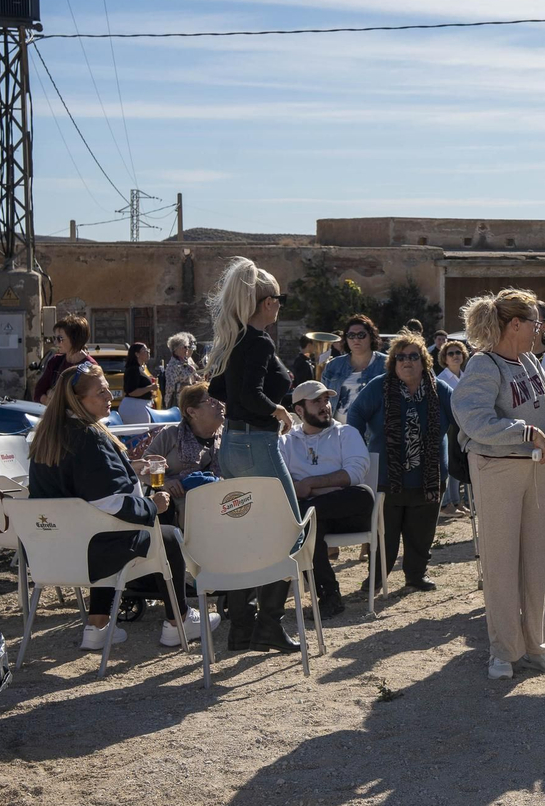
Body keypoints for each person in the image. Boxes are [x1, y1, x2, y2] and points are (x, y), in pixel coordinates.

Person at [28, 361, 214, 650]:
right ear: (77, 401)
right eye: (101, 393)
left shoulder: (48, 437)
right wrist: (152, 505)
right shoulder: (89, 437)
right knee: (168, 536)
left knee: (105, 529)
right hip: (93, 553)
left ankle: (97, 626)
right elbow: (108, 502)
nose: (109, 397)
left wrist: (129, 466)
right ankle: (179, 622)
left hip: (53, 551)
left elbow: (83, 481)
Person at [452, 288, 545, 680]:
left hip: (537, 469)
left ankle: (538, 646)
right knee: (501, 561)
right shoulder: (484, 365)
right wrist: (523, 431)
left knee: (536, 560)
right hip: (497, 470)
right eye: (536, 323)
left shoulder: (529, 361)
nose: (541, 330)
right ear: (515, 324)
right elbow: (472, 418)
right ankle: (504, 650)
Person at [206, 257, 301, 653]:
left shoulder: (236, 337)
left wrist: (255, 409)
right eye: (279, 298)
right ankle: (267, 626)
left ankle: (243, 626)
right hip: (256, 443)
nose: (281, 304)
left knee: (246, 534)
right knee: (289, 531)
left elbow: (217, 389)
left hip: (234, 444)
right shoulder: (258, 341)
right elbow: (246, 394)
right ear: (266, 303)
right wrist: (276, 409)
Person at [347, 332, 448, 594]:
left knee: (421, 532)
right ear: (393, 362)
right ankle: (377, 579)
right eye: (400, 357)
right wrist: (358, 446)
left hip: (429, 475)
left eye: (413, 356)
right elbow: (355, 413)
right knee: (385, 533)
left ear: (424, 361)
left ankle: (416, 576)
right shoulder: (380, 386)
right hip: (386, 476)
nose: (407, 362)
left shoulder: (440, 389)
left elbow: (460, 414)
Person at [281, 381, 375, 619]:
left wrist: (310, 485)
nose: (325, 406)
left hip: (346, 512)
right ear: (299, 410)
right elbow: (281, 482)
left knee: (362, 494)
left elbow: (355, 473)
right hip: (314, 519)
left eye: (326, 400)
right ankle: (330, 596)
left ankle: (327, 595)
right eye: (317, 402)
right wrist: (313, 488)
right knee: (311, 524)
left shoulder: (346, 433)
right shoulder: (286, 441)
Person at [131, 381, 224, 500]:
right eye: (212, 401)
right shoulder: (171, 434)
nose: (221, 405)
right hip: (178, 502)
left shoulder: (227, 437)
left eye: (220, 400)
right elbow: (142, 470)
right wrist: (165, 482)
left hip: (219, 500)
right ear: (192, 412)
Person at [321, 314, 386, 424]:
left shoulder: (387, 364)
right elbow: (322, 400)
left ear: (371, 336)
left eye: (361, 335)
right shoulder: (333, 366)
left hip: (372, 433)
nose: (356, 339)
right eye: (351, 335)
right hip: (337, 432)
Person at [435, 339, 472, 514]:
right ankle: (446, 504)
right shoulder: (441, 379)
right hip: (449, 426)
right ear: (445, 358)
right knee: (449, 464)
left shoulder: (466, 377)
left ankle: (457, 502)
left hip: (464, 425)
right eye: (451, 353)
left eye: (458, 352)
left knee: (460, 462)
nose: (455, 356)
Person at [33, 313, 95, 404]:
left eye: (60, 338)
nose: (55, 343)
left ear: (74, 338)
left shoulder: (90, 367)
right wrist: (50, 401)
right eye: (55, 338)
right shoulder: (55, 362)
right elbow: (38, 393)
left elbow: (85, 401)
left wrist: (52, 394)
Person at [116, 341, 158, 424]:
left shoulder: (141, 368)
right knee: (142, 435)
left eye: (148, 350)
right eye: (145, 351)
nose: (148, 353)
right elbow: (132, 392)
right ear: (137, 354)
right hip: (134, 408)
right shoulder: (133, 370)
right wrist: (150, 387)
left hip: (141, 407)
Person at [164, 332, 200, 405]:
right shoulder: (173, 365)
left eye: (187, 346)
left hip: (189, 399)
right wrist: (188, 386)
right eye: (184, 347)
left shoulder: (186, 361)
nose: (187, 349)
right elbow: (171, 387)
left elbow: (194, 375)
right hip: (178, 402)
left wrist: (200, 380)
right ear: (176, 349)